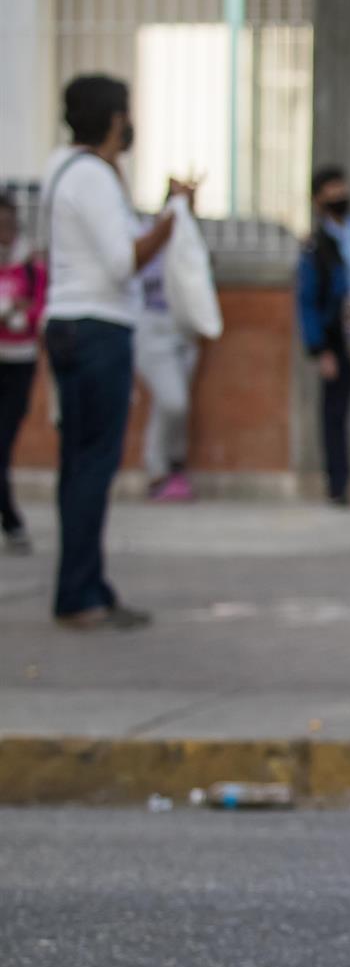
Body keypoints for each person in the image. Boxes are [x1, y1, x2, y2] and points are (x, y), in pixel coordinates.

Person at [41, 73, 184, 630]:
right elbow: (125, 260)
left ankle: (83, 585)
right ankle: (80, 594)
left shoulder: (66, 169)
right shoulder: (94, 178)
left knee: (78, 464)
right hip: (98, 327)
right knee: (92, 467)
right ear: (114, 119)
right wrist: (172, 218)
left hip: (69, 322)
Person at [296, 165, 350, 511]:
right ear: (319, 199)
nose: (339, 194)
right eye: (330, 188)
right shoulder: (316, 246)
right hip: (338, 331)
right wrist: (320, 349)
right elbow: (308, 301)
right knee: (336, 410)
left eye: (341, 185)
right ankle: (338, 483)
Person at [133, 222, 201, 501]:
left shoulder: (189, 244)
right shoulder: (145, 242)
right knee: (173, 400)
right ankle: (159, 468)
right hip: (151, 328)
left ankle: (166, 470)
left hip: (182, 330)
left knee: (171, 403)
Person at [0, 191, 44, 554]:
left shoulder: (29, 264)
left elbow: (38, 309)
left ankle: (10, 519)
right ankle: (11, 520)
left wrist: (18, 314)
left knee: (4, 441)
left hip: (20, 360)